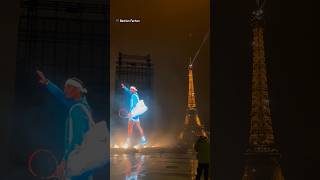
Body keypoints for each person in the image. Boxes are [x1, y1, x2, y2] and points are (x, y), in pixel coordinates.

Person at [36, 70, 93, 180]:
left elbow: (76, 138)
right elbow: (61, 96)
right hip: (83, 159)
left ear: (76, 89)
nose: (64, 90)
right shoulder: (81, 105)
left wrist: (64, 161)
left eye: (67, 87)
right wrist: (47, 82)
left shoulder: (77, 109)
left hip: (77, 159)